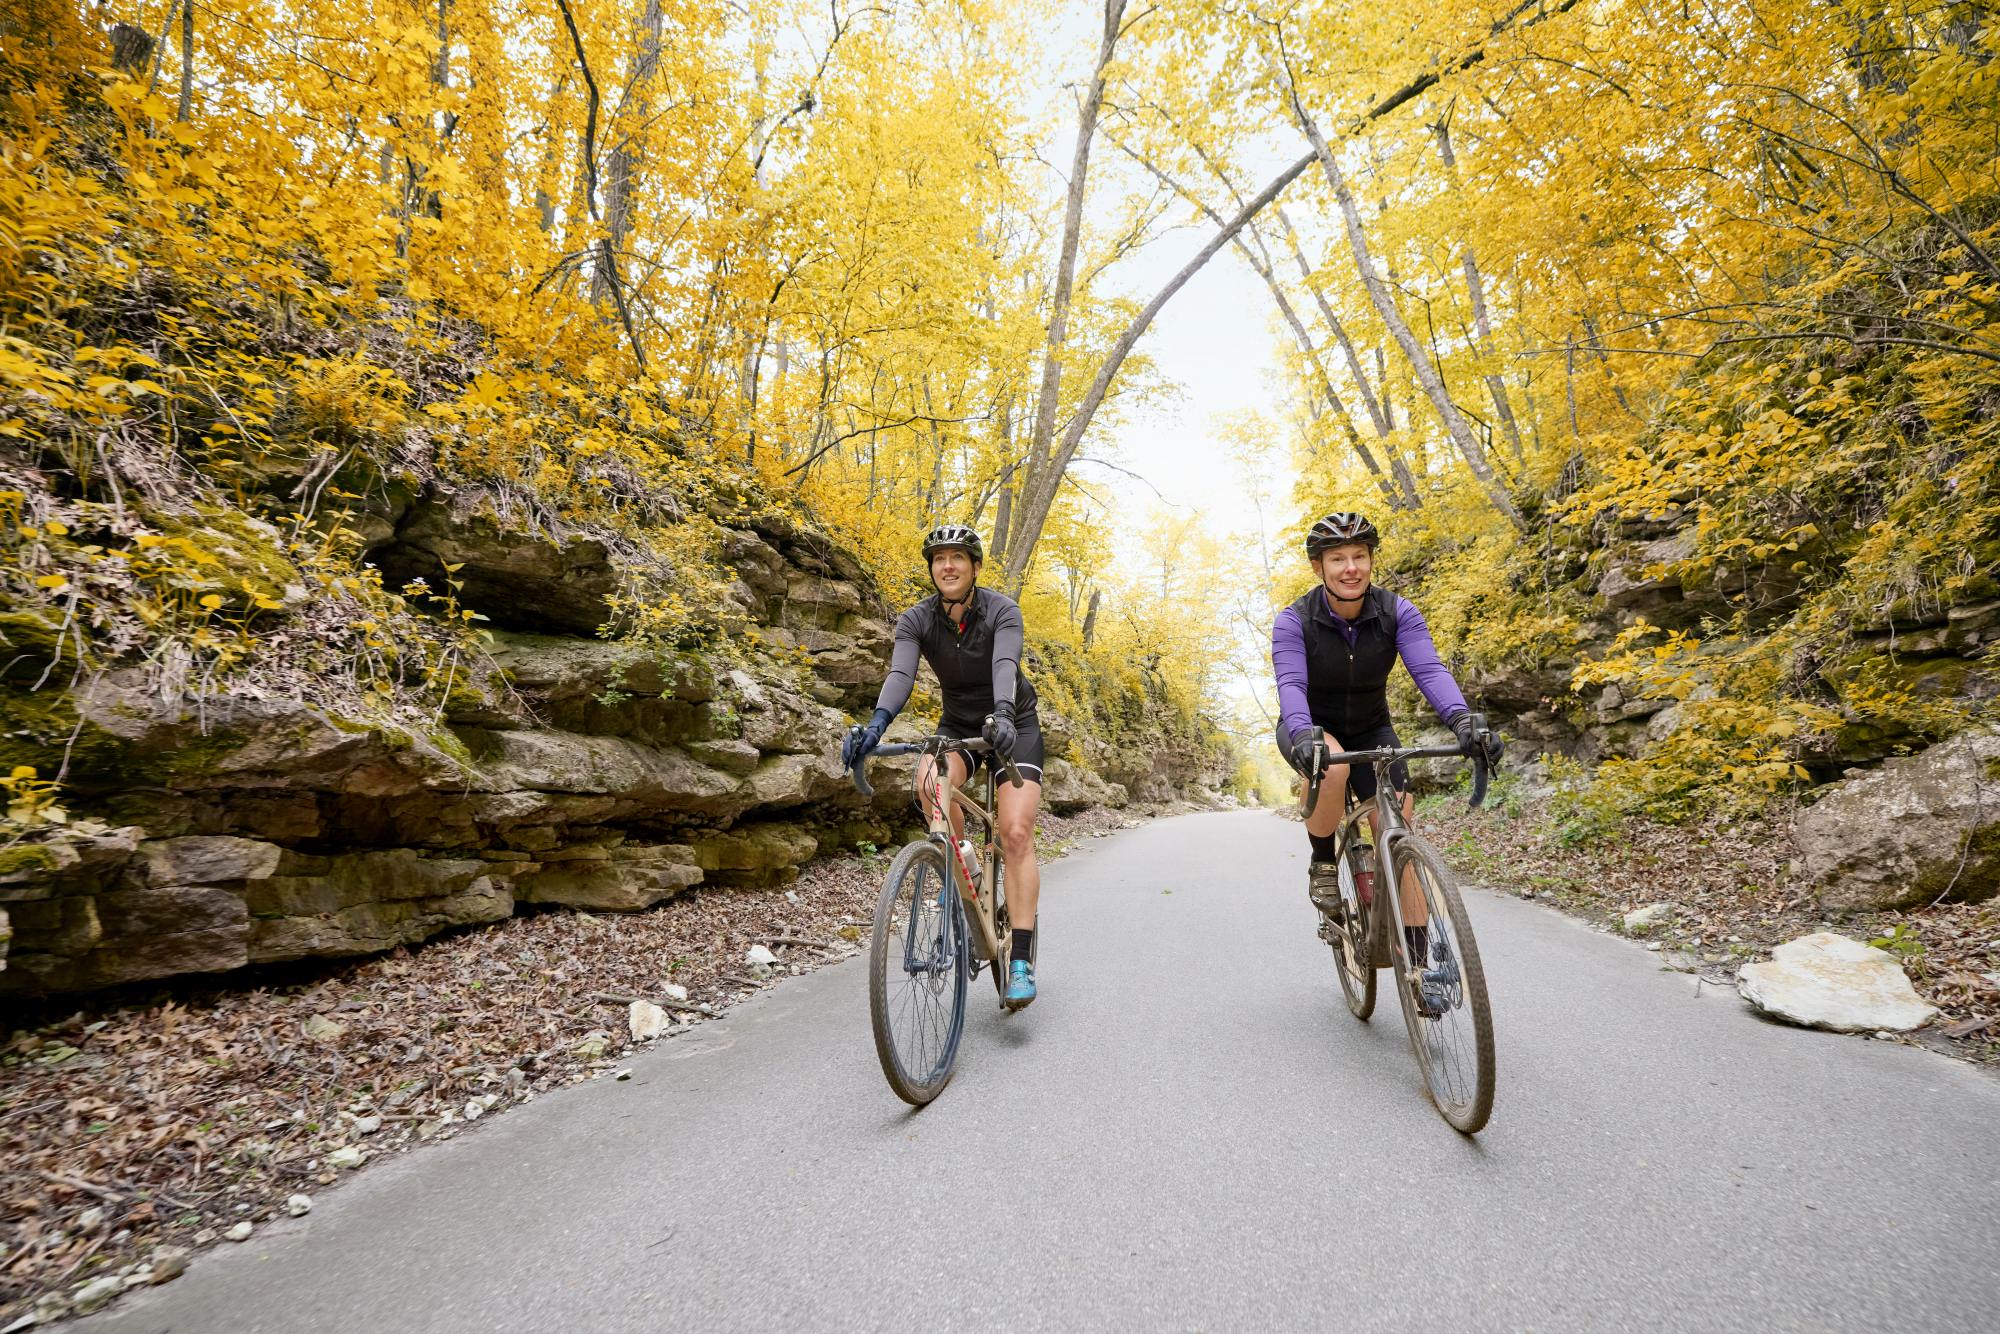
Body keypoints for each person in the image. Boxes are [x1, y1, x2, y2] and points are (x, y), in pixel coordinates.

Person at [1270, 512, 1494, 1000]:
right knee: (1333, 764)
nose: (1350, 568)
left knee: (1399, 840)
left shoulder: (1397, 612)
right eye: (1337, 559)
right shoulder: (1294, 621)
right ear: (1318, 567)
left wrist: (1461, 720)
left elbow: (1429, 669)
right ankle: (1324, 863)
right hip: (1311, 725)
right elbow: (1291, 684)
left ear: (1371, 561)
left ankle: (1419, 971)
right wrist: (1307, 733)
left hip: (1373, 725)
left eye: (1359, 557)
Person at [841, 524, 1046, 1010]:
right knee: (930, 783)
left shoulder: (1001, 610)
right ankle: (964, 873)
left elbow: (1005, 665)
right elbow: (900, 674)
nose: (947, 566)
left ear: (975, 566)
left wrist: (1000, 713)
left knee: (1015, 833)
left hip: (1012, 719)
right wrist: (875, 726)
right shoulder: (916, 619)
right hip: (957, 723)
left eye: (957, 557)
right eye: (938, 559)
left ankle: (1019, 958)